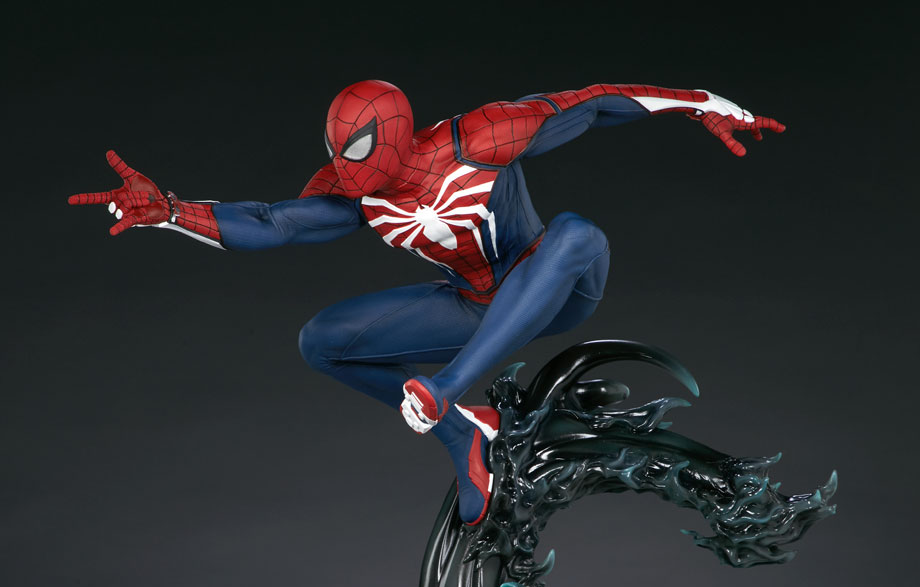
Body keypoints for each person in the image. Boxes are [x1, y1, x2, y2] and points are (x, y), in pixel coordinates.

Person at [70, 80, 783, 524]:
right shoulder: (352, 193)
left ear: (393, 137)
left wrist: (699, 103)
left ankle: (447, 390)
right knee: (321, 341)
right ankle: (462, 432)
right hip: (472, 305)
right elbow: (272, 221)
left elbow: (591, 104)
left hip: (555, 288)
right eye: (338, 152)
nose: (345, 168)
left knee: (576, 232)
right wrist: (171, 211)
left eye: (357, 151)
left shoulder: (478, 138)